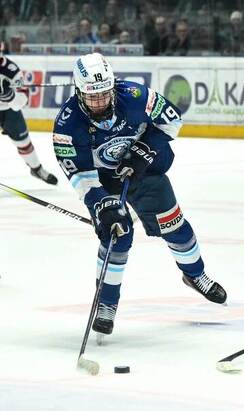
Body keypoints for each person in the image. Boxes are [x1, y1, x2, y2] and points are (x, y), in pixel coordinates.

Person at [52, 53, 227, 336]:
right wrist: (101, 207)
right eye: (92, 97)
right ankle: (106, 303)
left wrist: (143, 153)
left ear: (113, 86)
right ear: (78, 92)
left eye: (104, 94)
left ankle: (195, 275)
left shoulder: (135, 95)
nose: (100, 103)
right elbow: (80, 175)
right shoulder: (67, 125)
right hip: (105, 179)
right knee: (117, 234)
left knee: (175, 226)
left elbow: (172, 120)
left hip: (145, 171)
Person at [0, 56, 58, 185]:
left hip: (8, 109)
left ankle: (37, 169)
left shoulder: (11, 69)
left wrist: (10, 96)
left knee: (23, 142)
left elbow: (22, 100)